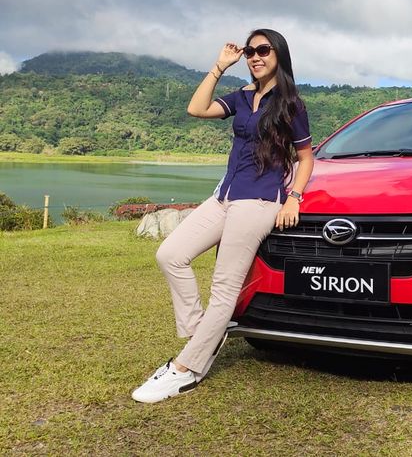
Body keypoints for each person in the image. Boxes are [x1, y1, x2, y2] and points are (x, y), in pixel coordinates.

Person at [132, 29, 314, 403]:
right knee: (170, 255)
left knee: (224, 286)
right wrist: (219, 67)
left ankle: (186, 368)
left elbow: (306, 157)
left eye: (263, 50)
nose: (255, 57)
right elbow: (197, 109)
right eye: (250, 51)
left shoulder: (291, 104)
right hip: (224, 196)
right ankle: (204, 333)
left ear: (279, 54)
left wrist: (294, 198)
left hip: (259, 201)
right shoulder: (241, 97)